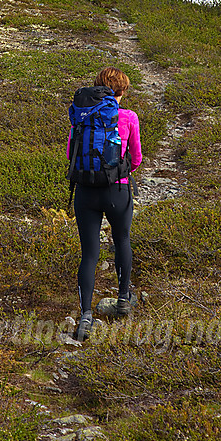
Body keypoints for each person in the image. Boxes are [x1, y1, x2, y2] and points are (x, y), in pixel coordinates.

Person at [71, 66, 142, 341]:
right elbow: (135, 158)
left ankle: (85, 315)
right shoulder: (128, 117)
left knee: (89, 253)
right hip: (117, 190)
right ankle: (123, 299)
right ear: (121, 91)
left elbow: (71, 154)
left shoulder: (81, 117)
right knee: (122, 240)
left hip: (85, 192)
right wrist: (120, 171)